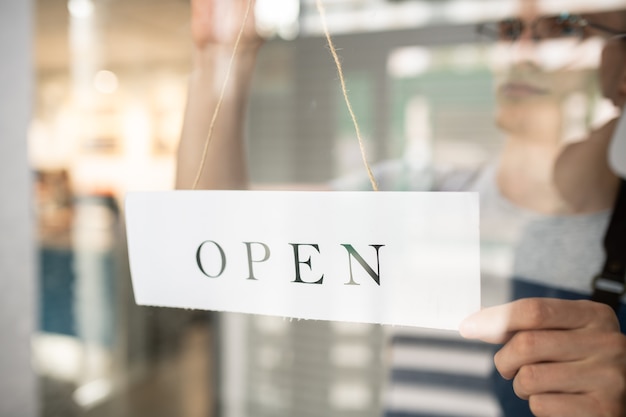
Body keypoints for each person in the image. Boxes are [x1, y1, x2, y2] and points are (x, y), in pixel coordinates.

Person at [175, 0, 626, 416]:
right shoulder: (420, 195)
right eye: (509, 29)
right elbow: (209, 225)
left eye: (565, 27)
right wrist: (220, 53)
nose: (522, 52)